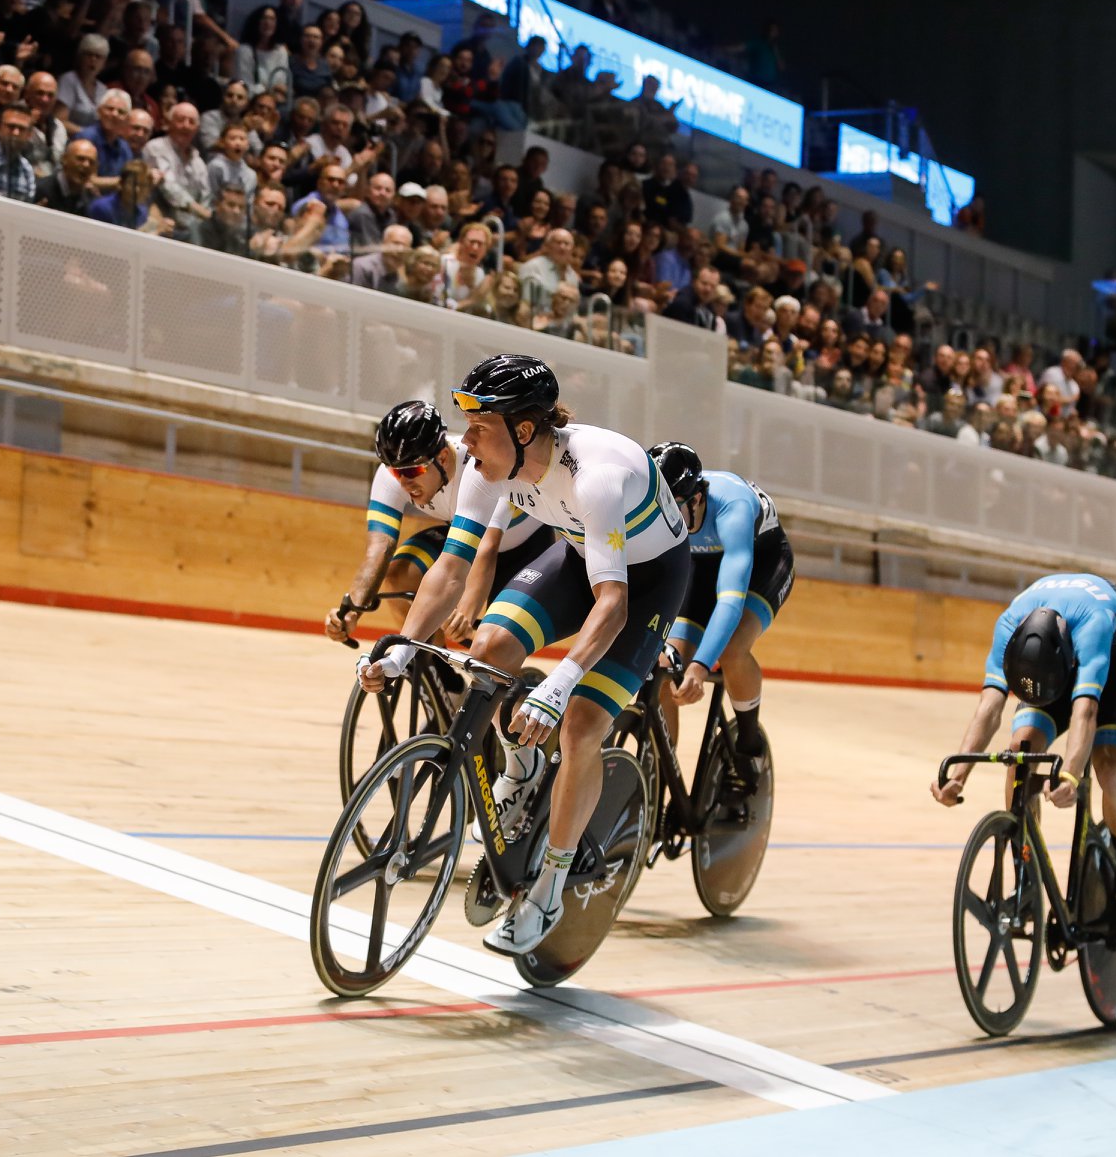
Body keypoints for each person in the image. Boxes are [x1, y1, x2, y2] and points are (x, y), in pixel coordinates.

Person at [357, 356, 691, 954]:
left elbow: (612, 603)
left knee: (584, 722)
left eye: (480, 427)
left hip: (647, 582)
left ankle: (550, 887)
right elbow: (451, 567)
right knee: (490, 645)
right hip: (577, 551)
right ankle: (521, 764)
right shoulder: (490, 466)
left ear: (525, 430)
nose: (467, 442)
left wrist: (561, 683)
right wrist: (404, 650)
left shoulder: (596, 477)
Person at [930, 573, 1116, 949]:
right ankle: (1025, 874)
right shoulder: (1010, 623)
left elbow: (1086, 712)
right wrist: (960, 775)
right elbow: (989, 707)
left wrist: (1070, 775)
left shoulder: (1094, 624)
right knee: (1020, 752)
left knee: (1110, 770)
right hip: (1049, 670)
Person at [326, 400, 549, 647]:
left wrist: (466, 612)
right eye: (395, 472)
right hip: (467, 538)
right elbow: (379, 548)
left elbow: (488, 546)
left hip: (524, 549)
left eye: (411, 472)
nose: (403, 482)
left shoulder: (480, 465)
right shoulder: (396, 475)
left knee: (492, 647)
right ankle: (435, 668)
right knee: (399, 574)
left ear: (442, 458)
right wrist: (352, 609)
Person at [649, 442, 793, 813]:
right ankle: (659, 782)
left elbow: (730, 601)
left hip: (761, 562)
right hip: (700, 564)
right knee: (665, 664)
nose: (665, 516)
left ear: (695, 498)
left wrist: (699, 667)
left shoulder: (733, 507)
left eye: (672, 507)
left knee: (730, 650)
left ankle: (748, 747)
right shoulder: (660, 505)